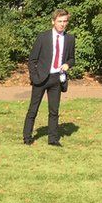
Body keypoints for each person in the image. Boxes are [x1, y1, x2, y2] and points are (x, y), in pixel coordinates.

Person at [23, 8, 75, 147]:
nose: (62, 24)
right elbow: (32, 60)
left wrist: (67, 65)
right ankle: (27, 137)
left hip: (56, 79)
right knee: (33, 109)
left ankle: (53, 139)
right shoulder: (43, 37)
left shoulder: (70, 39)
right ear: (53, 21)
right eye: (59, 21)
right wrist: (34, 77)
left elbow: (71, 59)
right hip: (40, 79)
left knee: (54, 111)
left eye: (65, 21)